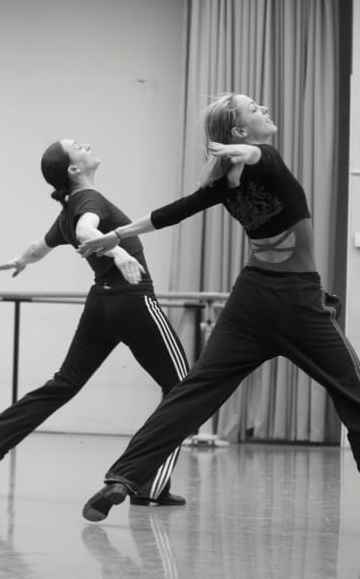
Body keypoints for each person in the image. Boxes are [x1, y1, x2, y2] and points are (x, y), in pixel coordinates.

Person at [77, 93, 357, 522]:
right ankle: (125, 478)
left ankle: (122, 478)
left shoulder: (225, 181)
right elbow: (253, 155)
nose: (263, 108)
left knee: (195, 391)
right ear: (241, 131)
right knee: (352, 389)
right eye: (253, 109)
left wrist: (116, 236)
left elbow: (170, 213)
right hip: (296, 302)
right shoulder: (266, 156)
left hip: (250, 303)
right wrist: (239, 149)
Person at [0, 139, 189, 506]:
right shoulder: (88, 200)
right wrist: (116, 253)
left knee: (63, 383)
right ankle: (148, 483)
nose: (88, 145)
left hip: (102, 303)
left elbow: (41, 246)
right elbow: (86, 232)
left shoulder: (69, 207)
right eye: (79, 146)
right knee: (185, 389)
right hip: (131, 299)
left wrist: (22, 260)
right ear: (73, 169)